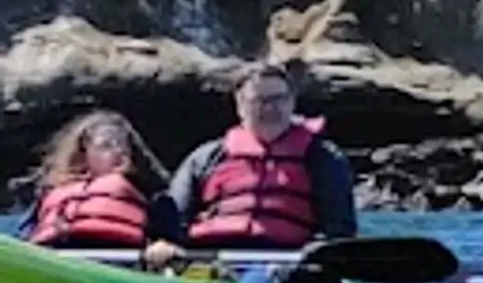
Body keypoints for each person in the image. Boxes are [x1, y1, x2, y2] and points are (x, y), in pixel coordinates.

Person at [167, 64, 359, 258]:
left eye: (278, 99)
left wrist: (310, 259)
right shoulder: (206, 158)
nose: (270, 108)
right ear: (240, 105)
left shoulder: (323, 158)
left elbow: (338, 229)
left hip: (286, 263)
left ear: (292, 102)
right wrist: (166, 244)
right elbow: (174, 216)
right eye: (259, 100)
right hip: (208, 259)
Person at [20, 110, 170, 256]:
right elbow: (25, 235)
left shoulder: (147, 193)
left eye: (123, 146)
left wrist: (163, 245)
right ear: (84, 154)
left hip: (117, 261)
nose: (118, 151)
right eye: (106, 146)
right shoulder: (53, 190)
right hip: (57, 259)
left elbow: (170, 237)